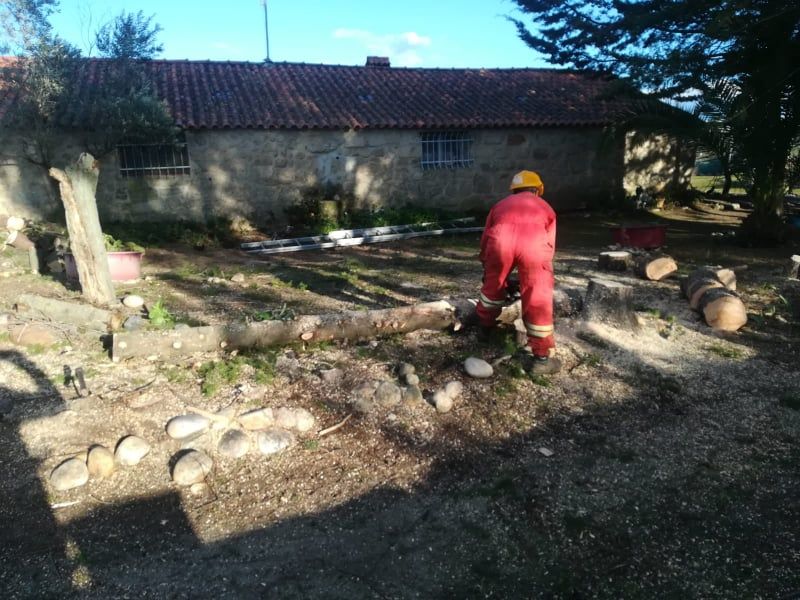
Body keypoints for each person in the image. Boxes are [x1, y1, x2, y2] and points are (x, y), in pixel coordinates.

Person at [476, 170, 561, 374]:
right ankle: (541, 358)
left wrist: (486, 263)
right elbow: (550, 243)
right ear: (537, 189)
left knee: (493, 286)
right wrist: (540, 269)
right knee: (537, 295)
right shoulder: (546, 207)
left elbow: (487, 236)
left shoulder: (500, 205)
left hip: (500, 244)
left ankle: (484, 330)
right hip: (534, 246)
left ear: (514, 190)